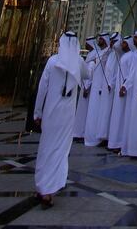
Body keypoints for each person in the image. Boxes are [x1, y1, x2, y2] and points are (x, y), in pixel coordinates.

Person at [33, 31, 90, 207]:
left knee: (46, 148)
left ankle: (43, 187)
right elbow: (87, 75)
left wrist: (38, 112)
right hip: (66, 115)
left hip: (51, 113)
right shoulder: (79, 62)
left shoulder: (53, 61)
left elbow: (42, 88)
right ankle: (49, 190)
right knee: (60, 150)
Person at [83, 33, 113, 146]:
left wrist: (102, 87)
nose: (99, 41)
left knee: (99, 113)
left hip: (102, 88)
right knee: (92, 112)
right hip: (95, 86)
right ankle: (89, 137)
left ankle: (98, 138)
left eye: (101, 39)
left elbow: (108, 71)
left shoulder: (108, 53)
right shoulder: (98, 53)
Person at [107, 36, 133, 153]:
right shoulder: (122, 55)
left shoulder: (132, 56)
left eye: (124, 43)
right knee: (116, 116)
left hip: (125, 90)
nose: (121, 45)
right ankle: (113, 142)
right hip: (119, 88)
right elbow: (116, 46)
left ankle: (119, 143)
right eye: (121, 43)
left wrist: (125, 85)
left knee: (121, 117)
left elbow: (131, 74)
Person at [73, 37, 96, 140]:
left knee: (85, 111)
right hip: (84, 86)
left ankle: (82, 132)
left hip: (88, 88)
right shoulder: (90, 54)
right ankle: (78, 132)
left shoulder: (94, 55)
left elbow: (91, 72)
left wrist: (87, 87)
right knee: (81, 111)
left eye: (87, 43)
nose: (85, 45)